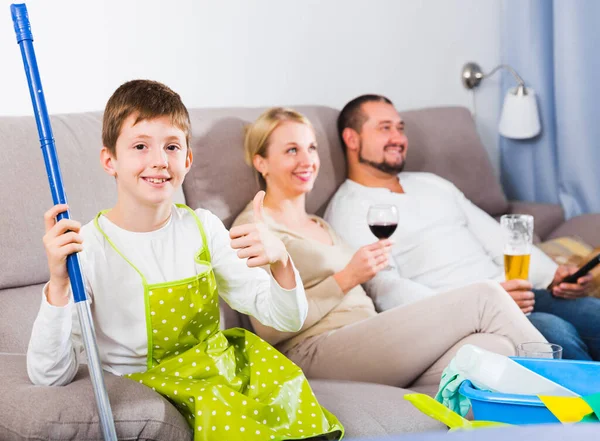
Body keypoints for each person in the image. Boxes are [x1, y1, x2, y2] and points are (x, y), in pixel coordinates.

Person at [27, 80, 343, 441]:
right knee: (220, 410)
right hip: (161, 385)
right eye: (141, 146)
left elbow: (286, 317)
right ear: (109, 160)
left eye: (172, 146)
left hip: (221, 372)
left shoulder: (203, 228)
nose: (159, 161)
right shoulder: (87, 248)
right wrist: (58, 282)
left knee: (290, 394)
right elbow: (48, 374)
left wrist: (281, 261)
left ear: (188, 159)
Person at [232, 107, 545, 389]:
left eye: (311, 148)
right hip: (314, 351)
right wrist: (347, 278)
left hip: (370, 339)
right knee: (485, 296)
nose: (307, 161)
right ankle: (577, 406)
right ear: (261, 162)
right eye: (291, 150)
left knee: (495, 350)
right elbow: (269, 330)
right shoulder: (254, 229)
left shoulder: (319, 224)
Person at [325, 94, 600, 361]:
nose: (398, 138)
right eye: (385, 128)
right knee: (555, 334)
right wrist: (482, 303)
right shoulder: (350, 209)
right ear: (352, 138)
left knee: (592, 312)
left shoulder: (432, 183)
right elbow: (385, 288)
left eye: (400, 128)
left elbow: (498, 238)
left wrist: (555, 277)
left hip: (513, 291)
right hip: (466, 313)